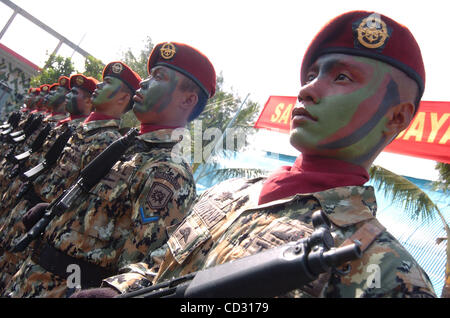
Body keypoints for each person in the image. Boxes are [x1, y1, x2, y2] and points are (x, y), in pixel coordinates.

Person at [79, 11, 437, 298]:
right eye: (312, 74)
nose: (308, 88)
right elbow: (158, 268)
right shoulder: (229, 193)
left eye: (342, 77)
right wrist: (117, 289)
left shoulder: (391, 276)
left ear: (397, 117)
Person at [3, 41, 216, 298]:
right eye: (149, 74)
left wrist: (116, 292)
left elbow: (147, 263)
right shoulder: (124, 147)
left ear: (188, 100)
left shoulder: (168, 173)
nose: (144, 83)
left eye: (159, 77)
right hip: (30, 279)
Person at [0, 62, 140, 294]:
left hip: (45, 232)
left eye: (107, 83)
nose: (99, 86)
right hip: (26, 212)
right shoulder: (83, 132)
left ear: (124, 98)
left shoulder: (107, 141)